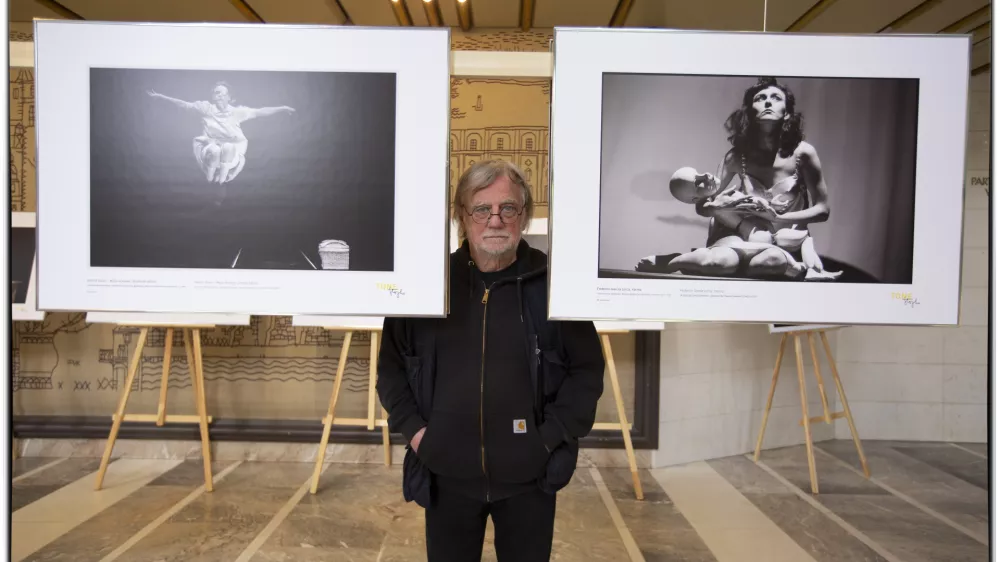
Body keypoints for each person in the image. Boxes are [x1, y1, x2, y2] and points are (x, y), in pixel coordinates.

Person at [376, 160, 606, 561]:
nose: (494, 220)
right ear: (463, 217)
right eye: (481, 209)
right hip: (445, 474)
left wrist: (547, 439)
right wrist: (418, 435)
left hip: (529, 476)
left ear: (524, 216)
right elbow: (391, 369)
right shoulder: (428, 285)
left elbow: (586, 371)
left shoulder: (556, 288)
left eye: (508, 208)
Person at [639, 76, 841, 281]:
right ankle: (677, 261)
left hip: (783, 239)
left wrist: (777, 218)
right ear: (750, 112)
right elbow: (703, 205)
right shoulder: (736, 156)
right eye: (760, 98)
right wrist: (718, 206)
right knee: (718, 263)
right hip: (739, 231)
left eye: (776, 98)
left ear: (787, 113)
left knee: (770, 262)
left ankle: (720, 261)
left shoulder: (804, 153)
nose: (768, 102)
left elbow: (822, 211)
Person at [147, 82, 295, 184]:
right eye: (216, 93)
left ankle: (221, 180)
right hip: (210, 151)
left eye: (221, 93)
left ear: (229, 97)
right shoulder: (206, 108)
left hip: (230, 154)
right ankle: (211, 178)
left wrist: (282, 108)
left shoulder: (238, 112)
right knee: (215, 149)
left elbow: (260, 112)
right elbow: (184, 105)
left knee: (228, 147)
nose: (218, 95)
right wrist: (161, 97)